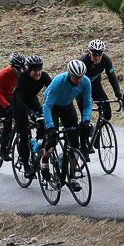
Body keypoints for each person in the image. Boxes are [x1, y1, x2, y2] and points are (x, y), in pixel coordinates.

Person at [40, 60, 92, 191]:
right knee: (52, 139)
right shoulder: (59, 81)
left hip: (67, 106)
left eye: (81, 77)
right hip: (52, 107)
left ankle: (73, 176)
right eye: (76, 77)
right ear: (69, 74)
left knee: (75, 142)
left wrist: (86, 120)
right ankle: (45, 161)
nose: (79, 80)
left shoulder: (86, 82)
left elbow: (87, 103)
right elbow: (47, 106)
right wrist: (51, 127)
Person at [75, 39, 123, 152]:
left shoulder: (105, 60)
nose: (97, 57)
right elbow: (77, 83)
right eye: (94, 54)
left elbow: (112, 78)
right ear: (89, 52)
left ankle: (97, 132)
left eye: (99, 54)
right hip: (81, 90)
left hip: (96, 88)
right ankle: (84, 144)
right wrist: (87, 98)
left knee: (107, 114)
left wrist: (119, 96)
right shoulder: (82, 62)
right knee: (85, 117)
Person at [11, 55, 51, 178]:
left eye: (40, 70)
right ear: (29, 70)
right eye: (35, 71)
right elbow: (20, 101)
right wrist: (30, 113)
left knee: (43, 121)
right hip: (19, 103)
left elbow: (52, 90)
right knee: (24, 133)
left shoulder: (43, 76)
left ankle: (38, 144)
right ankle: (27, 167)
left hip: (32, 100)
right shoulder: (23, 78)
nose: (38, 73)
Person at [0, 53, 25, 161]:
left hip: (14, 97)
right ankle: (3, 150)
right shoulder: (2, 75)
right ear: (12, 67)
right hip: (2, 98)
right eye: (18, 70)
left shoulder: (24, 70)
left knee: (21, 124)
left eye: (22, 69)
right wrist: (7, 106)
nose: (20, 72)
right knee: (7, 124)